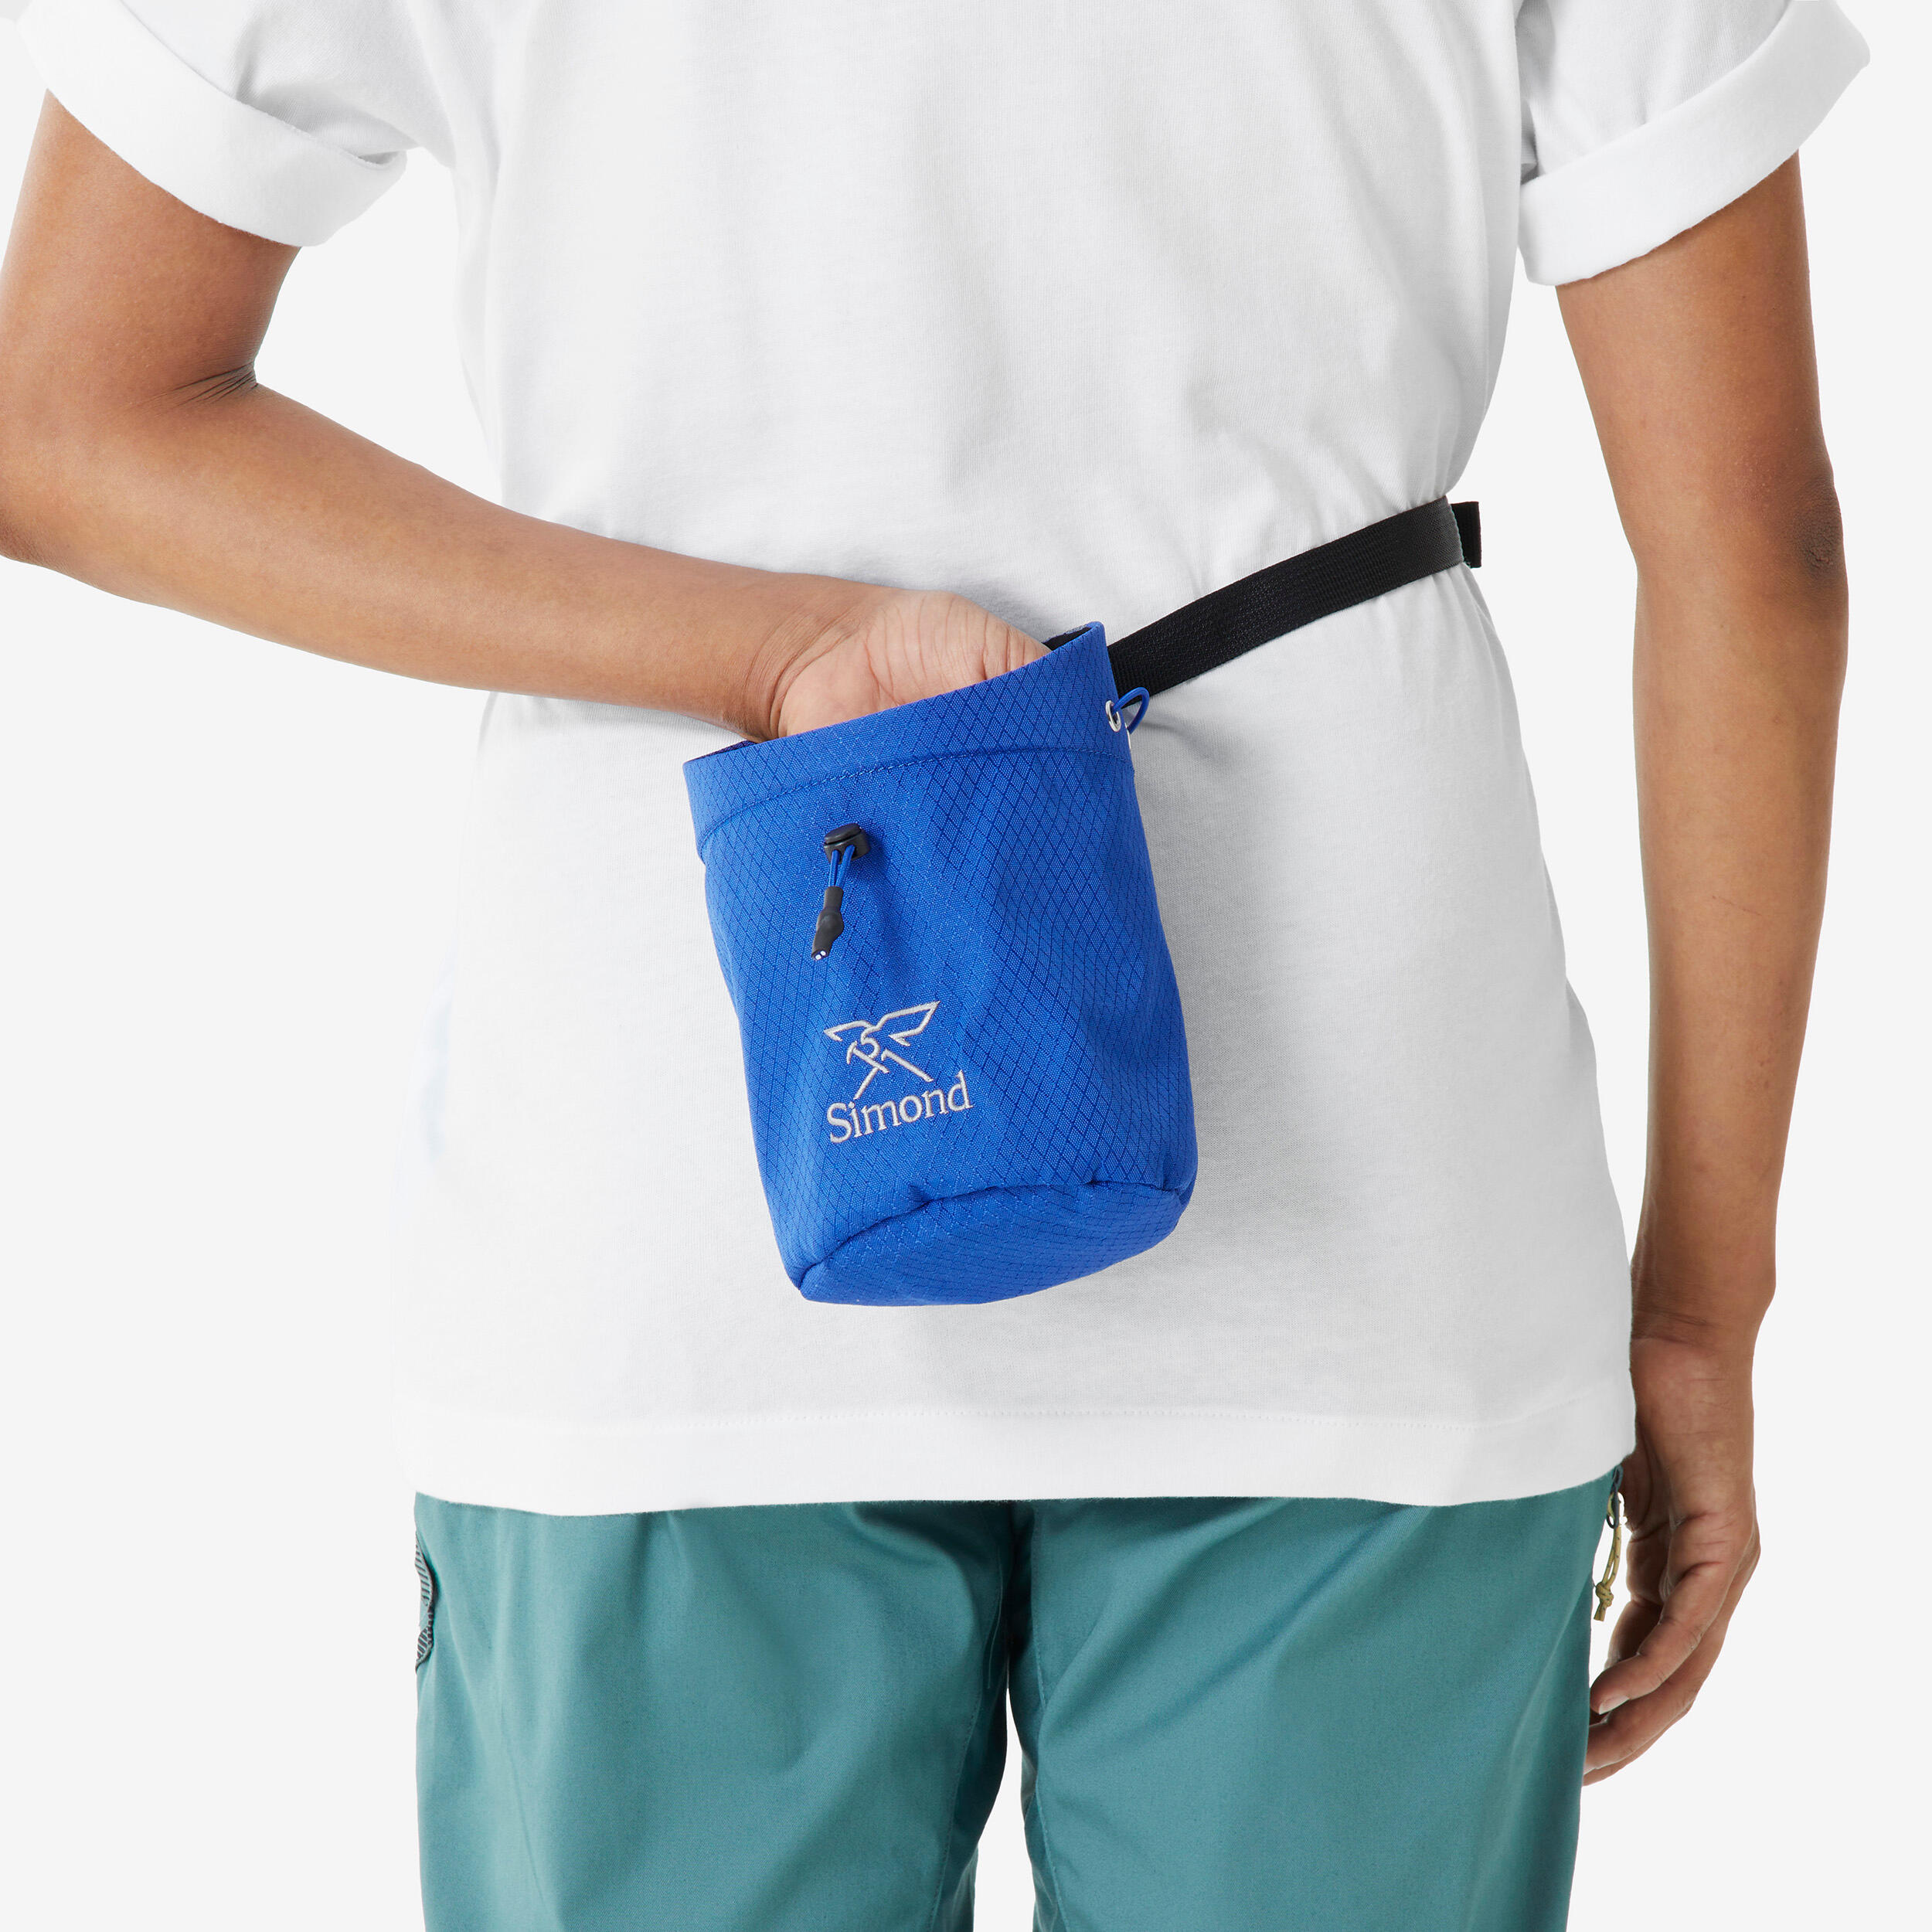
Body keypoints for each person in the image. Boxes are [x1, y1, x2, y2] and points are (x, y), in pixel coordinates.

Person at [0, 2, 1864, 1926]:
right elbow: (1749, 550)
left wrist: (774, 654)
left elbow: (72, 414)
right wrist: (1699, 1310)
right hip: (1373, 1235)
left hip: (676, 1209)